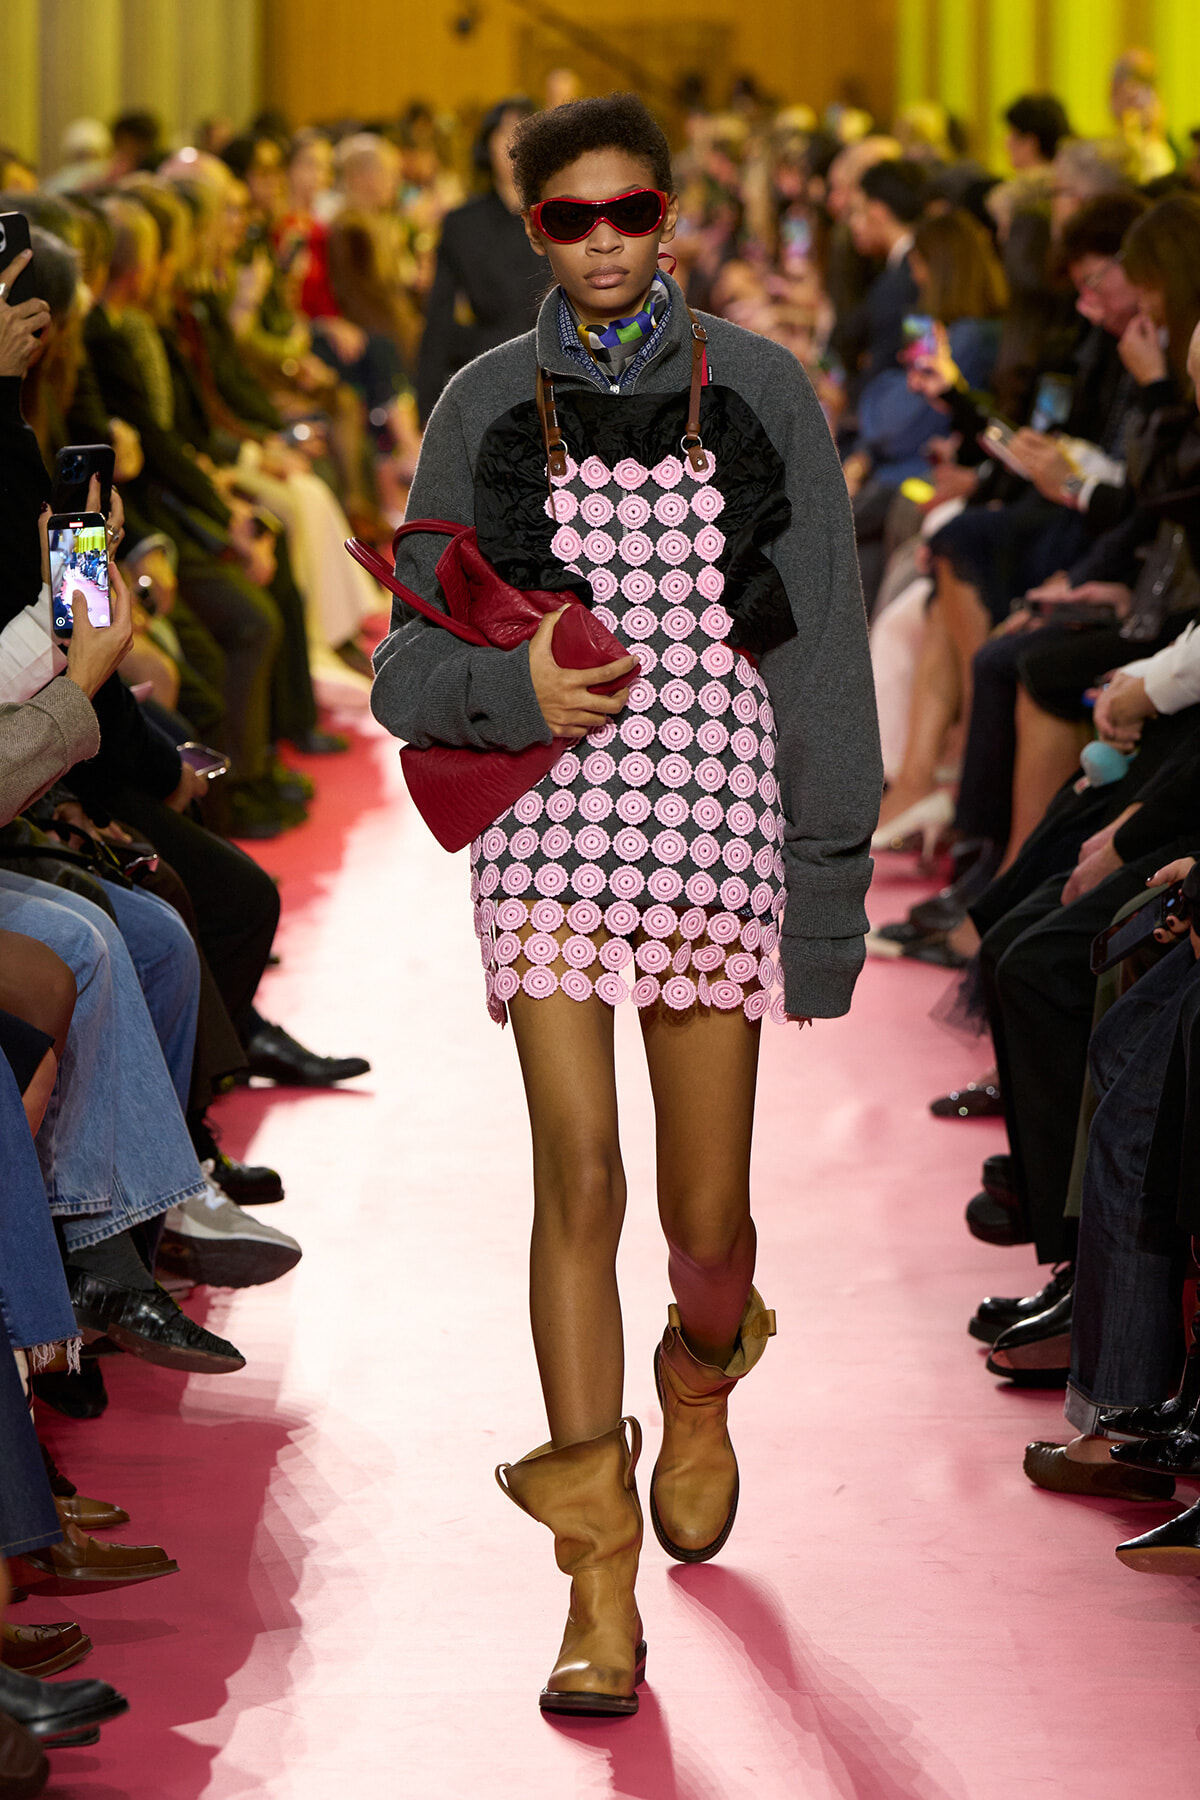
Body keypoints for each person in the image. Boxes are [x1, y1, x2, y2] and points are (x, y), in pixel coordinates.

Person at [371, 92, 880, 1719]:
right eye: (565, 219)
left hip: (721, 815)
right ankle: (596, 1577)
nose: (601, 243)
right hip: (550, 825)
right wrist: (506, 683)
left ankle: (701, 1366)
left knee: (705, 1227)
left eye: (628, 211)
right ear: (533, 229)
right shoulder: (476, 405)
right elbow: (398, 668)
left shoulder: (766, 392)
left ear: (675, 216)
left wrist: (829, 895)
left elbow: (821, 665)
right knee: (574, 1181)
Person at [415, 97, 542, 422]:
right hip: (489, 366)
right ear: (487, 145)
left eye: (525, 132)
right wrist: (427, 410)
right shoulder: (462, 224)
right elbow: (439, 318)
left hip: (561, 370)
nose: (515, 145)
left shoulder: (565, 217)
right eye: (505, 134)